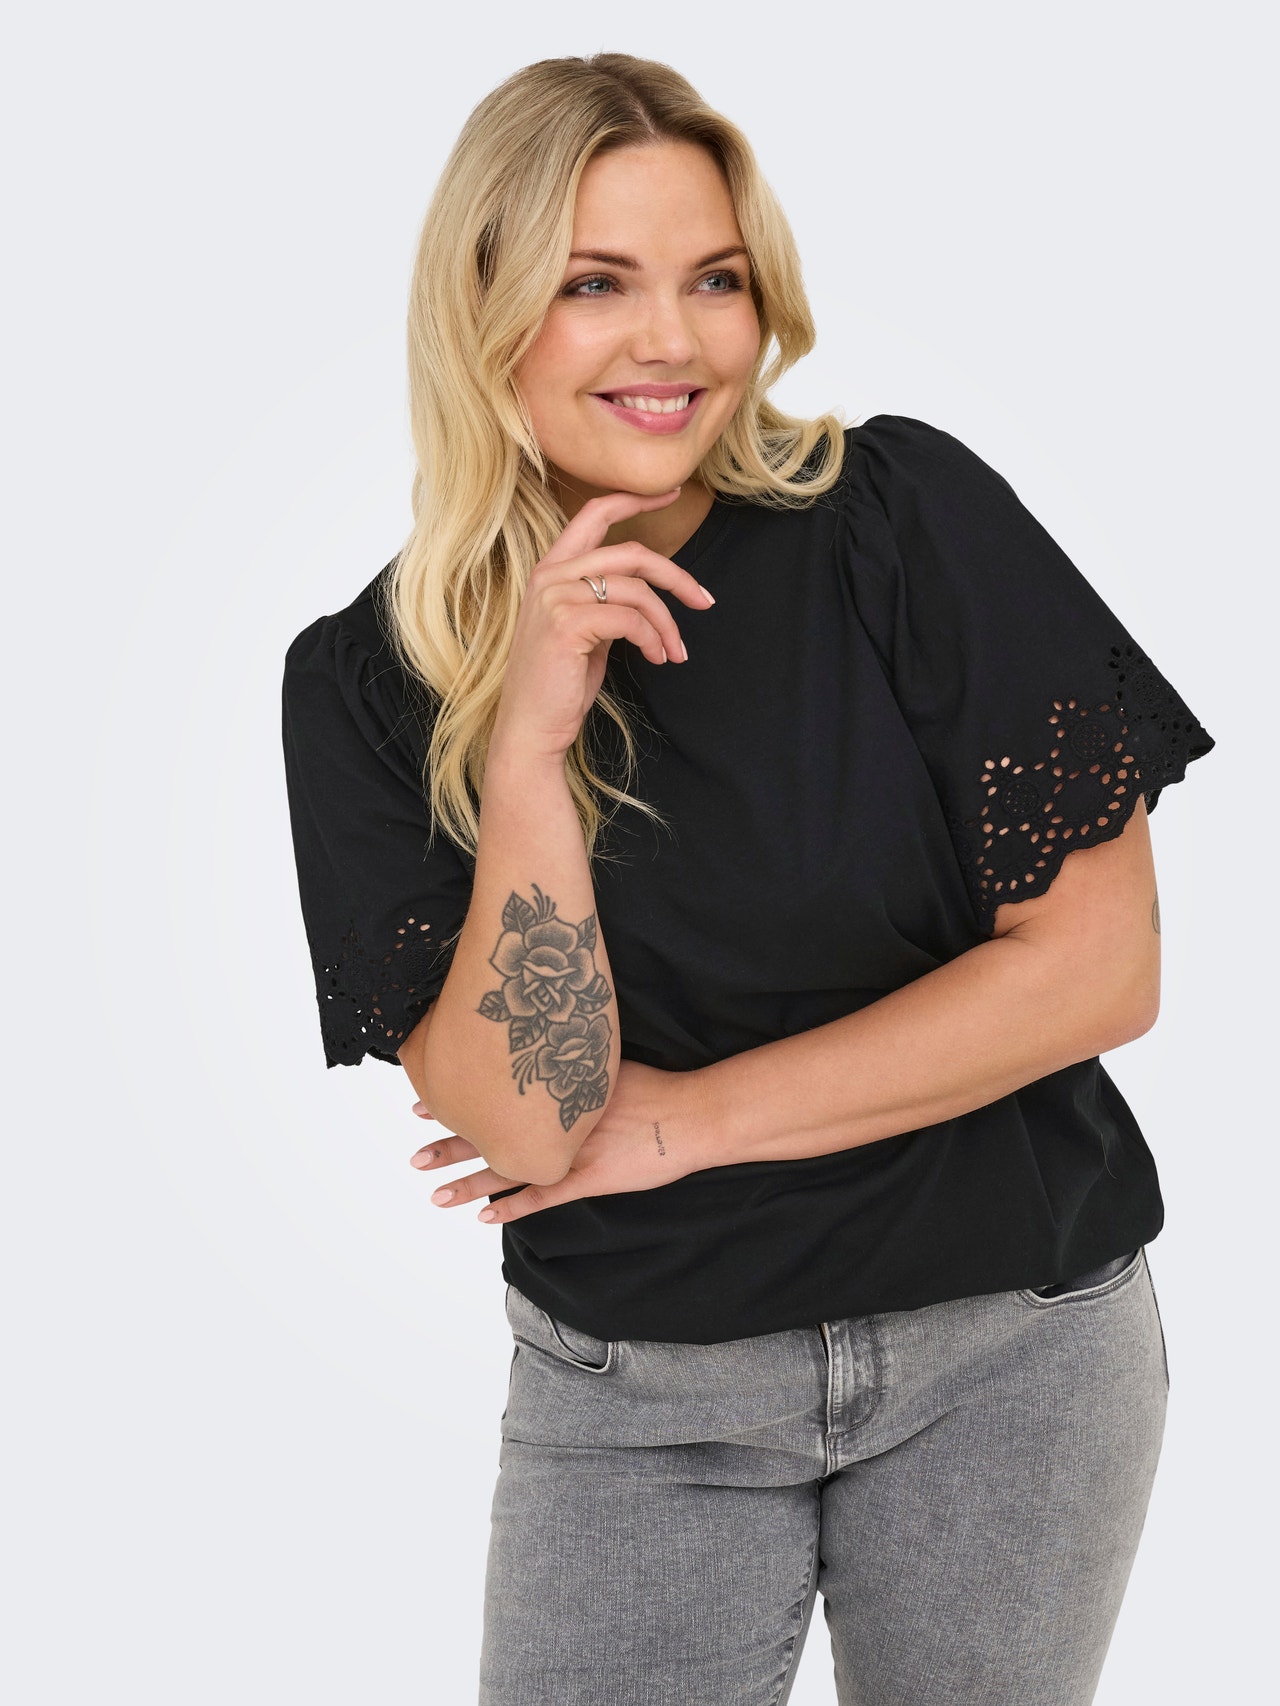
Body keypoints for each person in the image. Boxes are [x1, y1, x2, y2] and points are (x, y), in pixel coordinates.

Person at [280, 51, 1216, 1706]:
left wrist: (689, 1122)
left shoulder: (901, 522)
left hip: (1010, 1343)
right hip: (639, 1392)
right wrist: (528, 753)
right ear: (481, 309)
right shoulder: (370, 681)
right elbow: (532, 1119)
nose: (673, 340)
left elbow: (1097, 969)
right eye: (595, 283)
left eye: (714, 279)